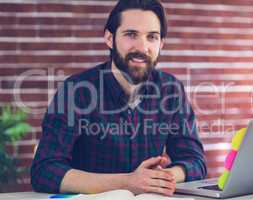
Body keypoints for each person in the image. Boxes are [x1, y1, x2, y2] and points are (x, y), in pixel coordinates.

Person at [31, 0, 207, 196]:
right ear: (109, 38)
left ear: (161, 44)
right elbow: (44, 171)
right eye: (131, 35)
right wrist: (128, 182)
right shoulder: (76, 91)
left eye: (152, 37)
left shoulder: (171, 89)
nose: (142, 47)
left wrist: (160, 178)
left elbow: (195, 162)